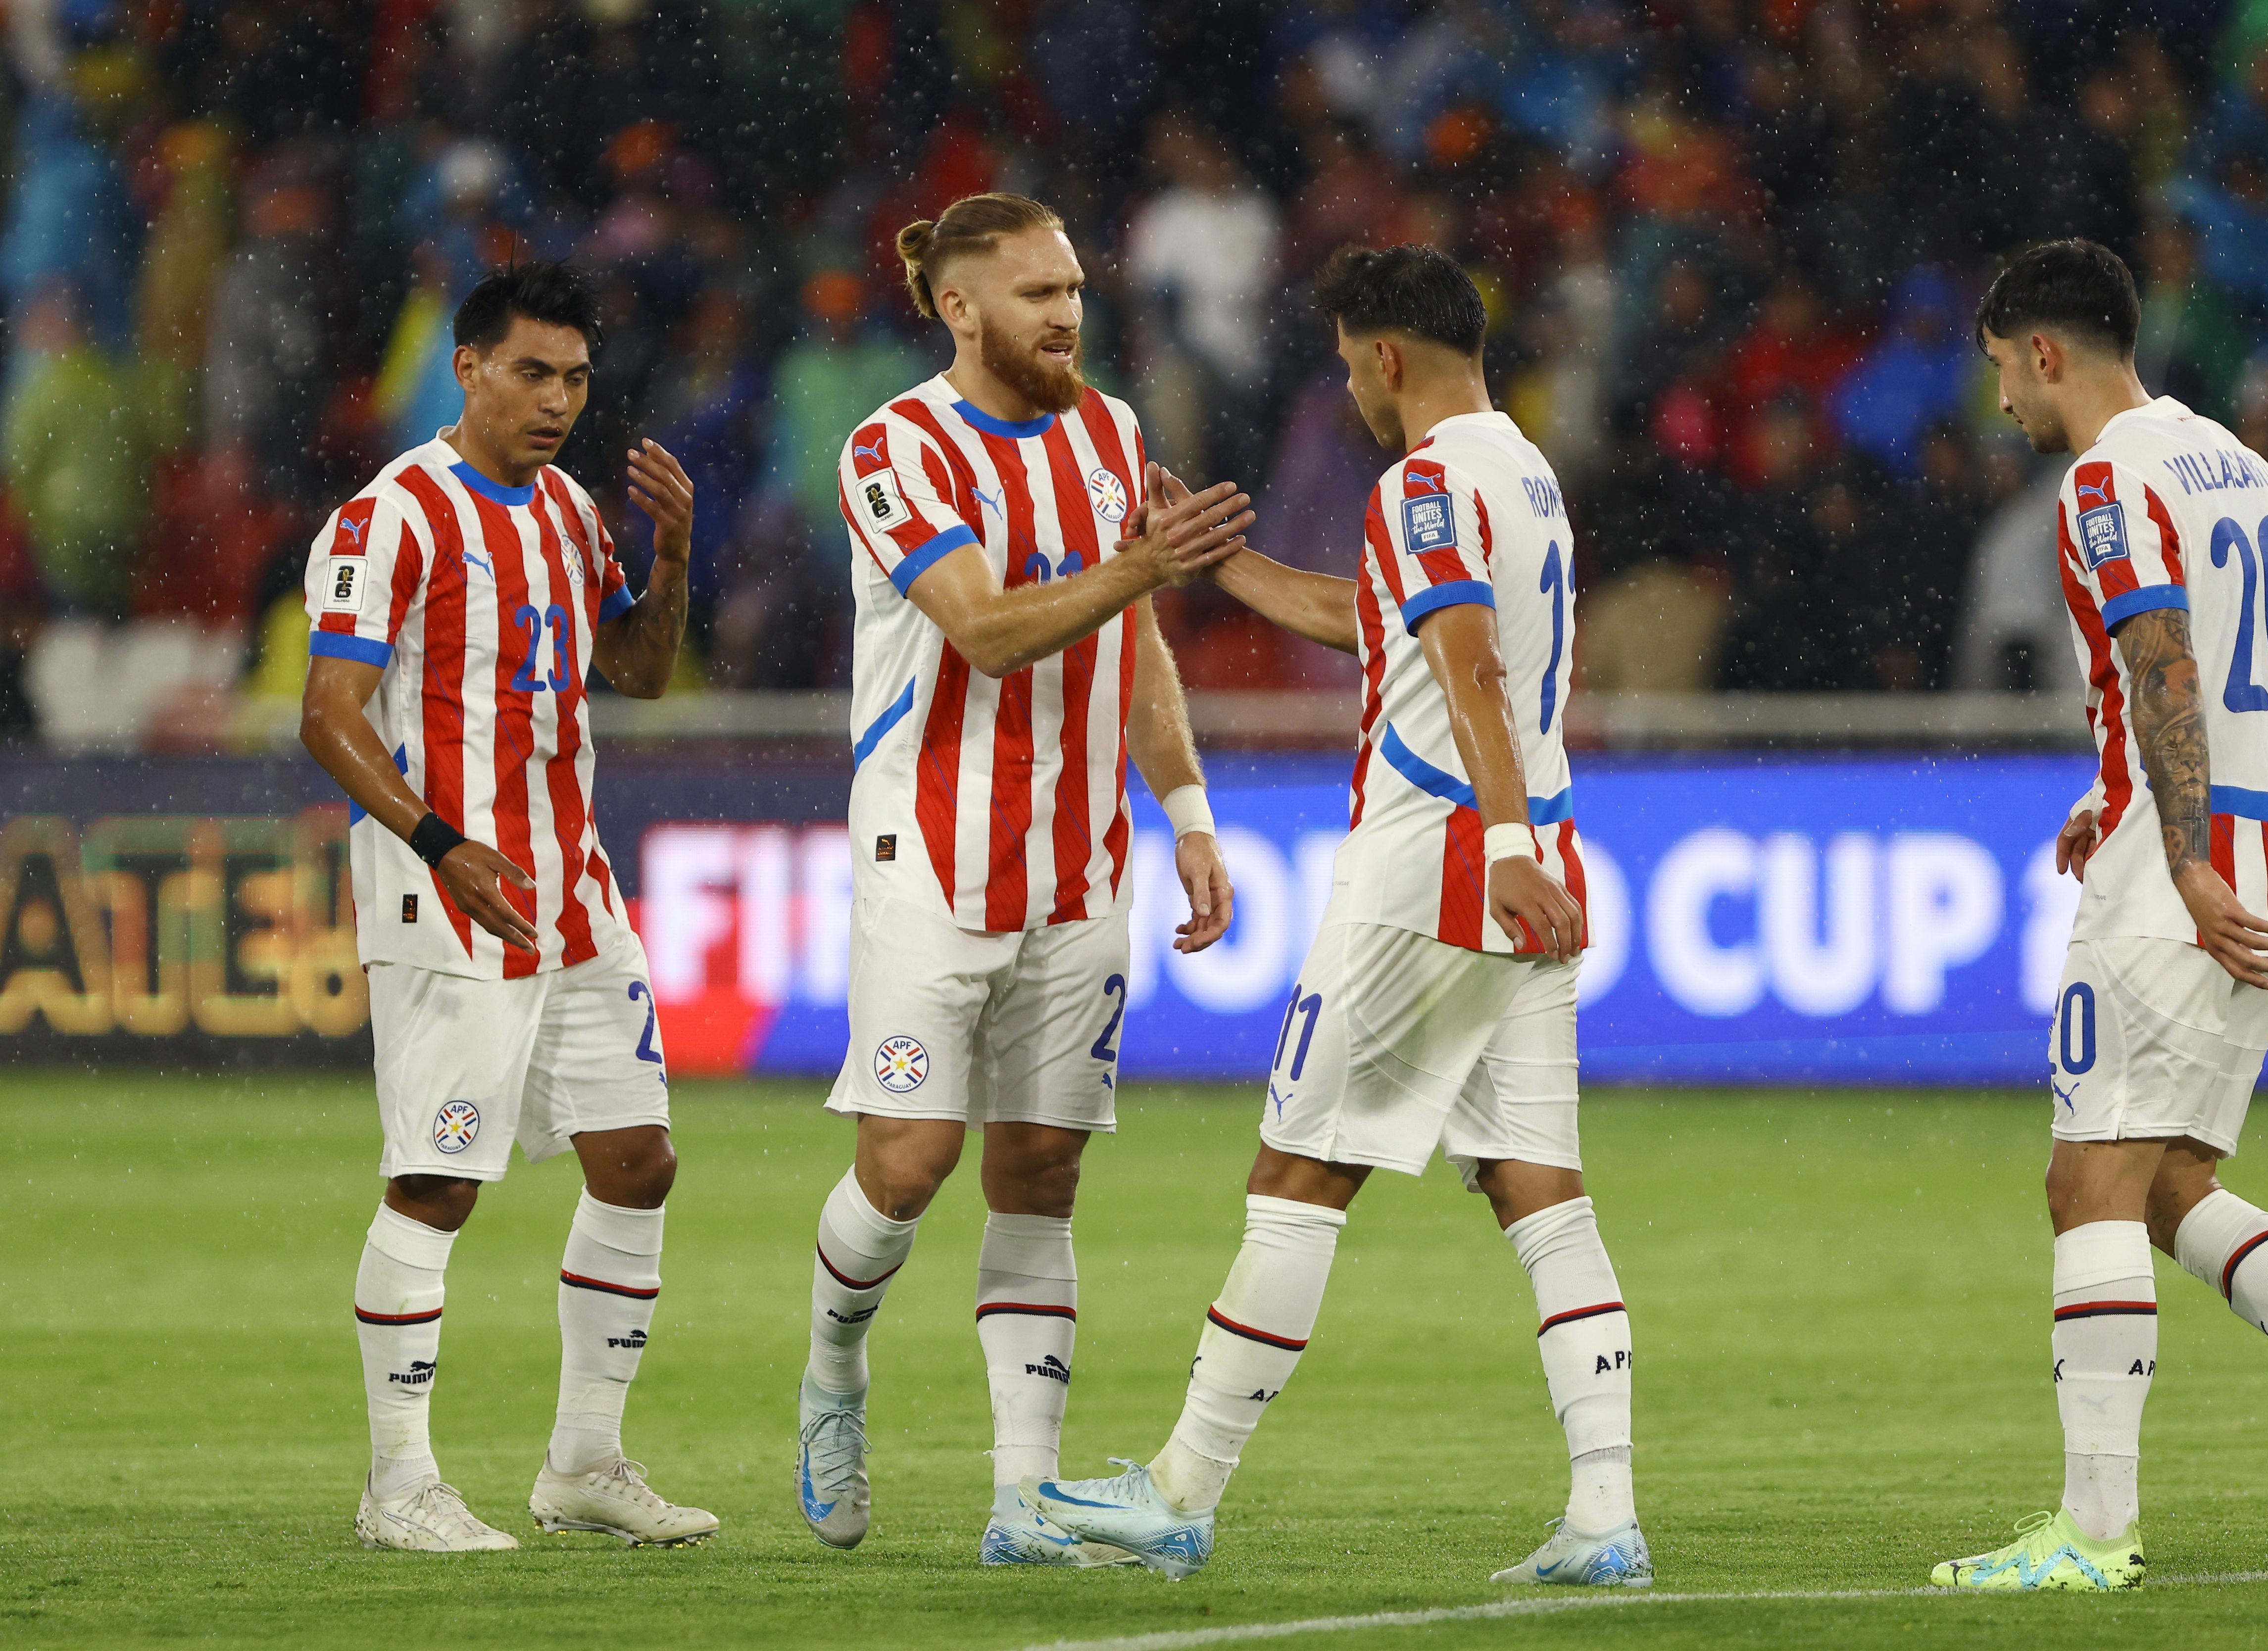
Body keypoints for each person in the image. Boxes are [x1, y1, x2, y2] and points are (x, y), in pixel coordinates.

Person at [1020, 243, 1648, 1589]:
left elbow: (1466, 666)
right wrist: (1223, 562)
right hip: (1526, 863)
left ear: (1381, 356)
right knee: (1539, 1187)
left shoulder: (1421, 482)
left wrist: (1498, 843)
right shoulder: (1520, 471)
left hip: (1436, 868)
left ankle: (1180, 1491)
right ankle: (1604, 1517)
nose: (1349, 389)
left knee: (1299, 1171)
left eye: (1347, 363)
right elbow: (1396, 630)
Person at [1941, 239, 2268, 1592]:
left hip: (2185, 880)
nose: (1999, 397)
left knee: (2086, 1182)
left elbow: (2163, 666)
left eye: (2001, 367)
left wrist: (2172, 850)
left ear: (2044, 352)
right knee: (2167, 1185)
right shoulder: (2240, 462)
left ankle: (2092, 1534)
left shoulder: (2103, 482)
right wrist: (2127, 784)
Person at [797, 192, 1248, 1567]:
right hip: (927, 853)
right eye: (1036, 293)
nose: (1066, 313)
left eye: (1072, 288)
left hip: (1080, 862)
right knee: (910, 1161)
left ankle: (1022, 1501)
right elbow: (986, 630)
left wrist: (1185, 810)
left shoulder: (1111, 434)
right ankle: (833, 1371)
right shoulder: (893, 448)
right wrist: (1134, 566)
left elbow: (1140, 646)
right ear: (959, 307)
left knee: (1041, 1169)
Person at [297, 261, 716, 1553]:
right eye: (532, 372)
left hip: (572, 891)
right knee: (436, 1183)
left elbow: (635, 674)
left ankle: (584, 1464)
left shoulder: (569, 515)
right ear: (468, 368)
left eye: (577, 378)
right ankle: (398, 1486)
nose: (557, 400)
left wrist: (674, 551)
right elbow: (328, 716)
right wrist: (438, 838)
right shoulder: (392, 518)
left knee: (638, 1160)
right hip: (448, 894)